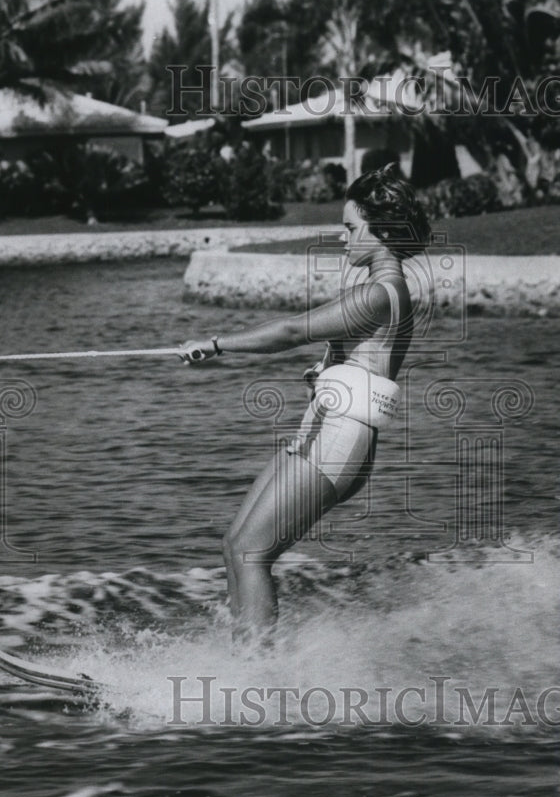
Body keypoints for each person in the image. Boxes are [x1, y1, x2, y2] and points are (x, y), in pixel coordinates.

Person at [182, 164, 431, 643]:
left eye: (350, 228)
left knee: (254, 553)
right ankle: (243, 657)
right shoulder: (381, 290)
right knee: (235, 545)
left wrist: (215, 344)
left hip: (340, 437)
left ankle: (257, 674)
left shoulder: (381, 292)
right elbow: (363, 359)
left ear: (381, 232)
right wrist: (329, 372)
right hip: (323, 427)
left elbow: (292, 331)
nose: (343, 239)